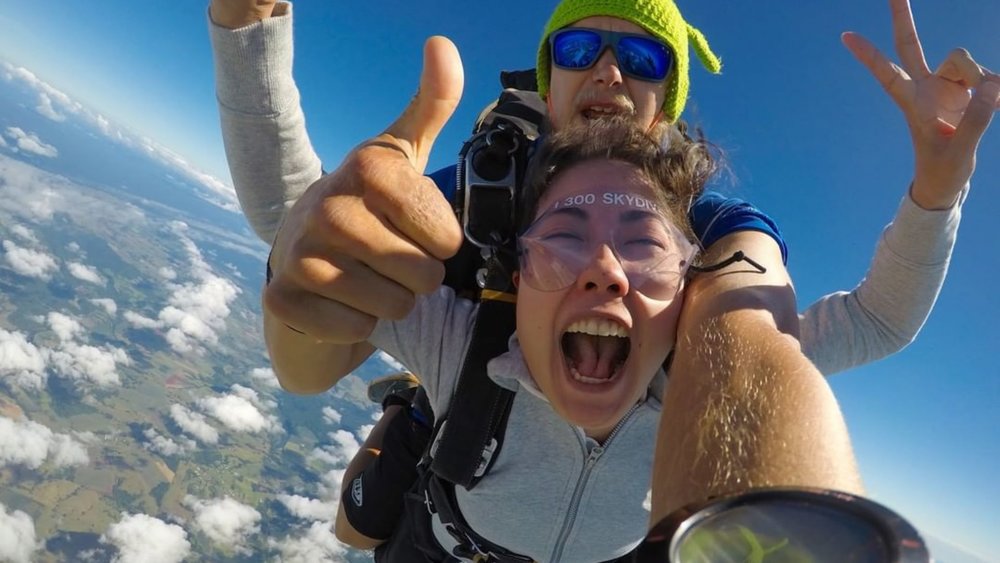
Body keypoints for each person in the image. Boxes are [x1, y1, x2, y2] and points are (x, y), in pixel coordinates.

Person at [206, 0, 997, 556]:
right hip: (449, 539)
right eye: (582, 51)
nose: (611, 72)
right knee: (360, 521)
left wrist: (938, 188)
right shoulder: (469, 201)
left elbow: (796, 332)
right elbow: (310, 233)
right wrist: (250, 32)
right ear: (549, 83)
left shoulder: (709, 237)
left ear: (667, 102)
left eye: (644, 58)